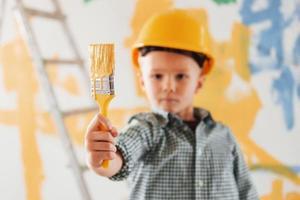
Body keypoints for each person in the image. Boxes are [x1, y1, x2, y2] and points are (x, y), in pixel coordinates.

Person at [85, 9, 259, 200]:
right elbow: (118, 159)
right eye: (157, 76)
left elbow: (246, 191)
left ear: (199, 82)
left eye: (181, 76)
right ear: (142, 81)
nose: (168, 87)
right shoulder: (147, 128)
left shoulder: (224, 135)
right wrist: (101, 158)